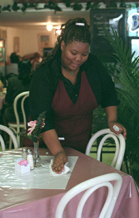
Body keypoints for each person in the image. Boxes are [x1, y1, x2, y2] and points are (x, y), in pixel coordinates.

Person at [29, 17, 127, 174]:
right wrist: (58, 152)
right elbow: (42, 118)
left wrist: (112, 120)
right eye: (73, 53)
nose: (79, 59)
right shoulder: (46, 74)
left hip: (81, 145)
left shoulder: (92, 66)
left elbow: (109, 93)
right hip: (46, 148)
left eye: (84, 54)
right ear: (62, 45)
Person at [3, 59, 32, 126]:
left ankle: (8, 134)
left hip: (15, 116)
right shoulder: (35, 81)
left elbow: (8, 100)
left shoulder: (12, 81)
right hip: (31, 116)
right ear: (31, 69)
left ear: (18, 69)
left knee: (5, 111)